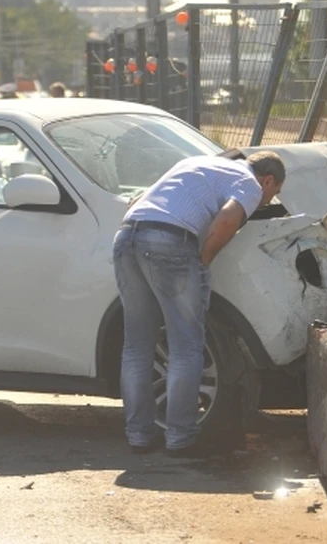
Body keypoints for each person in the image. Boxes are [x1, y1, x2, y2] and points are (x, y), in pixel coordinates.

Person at [112, 150, 285, 457]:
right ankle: (180, 437)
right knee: (186, 346)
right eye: (274, 193)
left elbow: (138, 200)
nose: (268, 201)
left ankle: (138, 435)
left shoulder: (195, 163)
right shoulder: (248, 183)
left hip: (126, 238)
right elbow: (228, 219)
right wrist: (203, 261)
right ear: (268, 179)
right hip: (169, 243)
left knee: (137, 345)